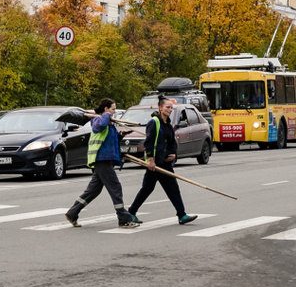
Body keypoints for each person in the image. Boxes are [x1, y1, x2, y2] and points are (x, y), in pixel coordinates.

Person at [65, 98, 139, 229]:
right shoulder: (97, 119)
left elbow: (109, 140)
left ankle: (72, 213)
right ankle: (123, 219)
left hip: (106, 159)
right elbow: (99, 127)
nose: (114, 112)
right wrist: (106, 115)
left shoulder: (109, 122)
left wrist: (121, 135)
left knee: (93, 190)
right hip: (101, 160)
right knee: (115, 187)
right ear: (105, 109)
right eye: (113, 109)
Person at [127, 96, 198, 226]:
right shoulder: (154, 122)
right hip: (155, 164)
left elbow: (171, 143)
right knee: (147, 189)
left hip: (165, 163)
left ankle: (182, 215)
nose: (170, 110)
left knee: (173, 189)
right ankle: (131, 213)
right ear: (160, 108)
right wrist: (150, 160)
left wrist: (173, 154)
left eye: (171, 107)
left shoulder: (167, 124)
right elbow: (148, 143)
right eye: (167, 107)